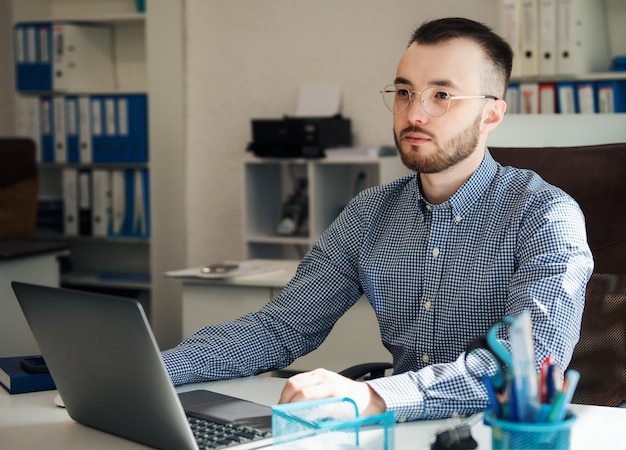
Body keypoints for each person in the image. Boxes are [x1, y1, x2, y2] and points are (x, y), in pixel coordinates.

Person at [162, 17, 593, 422]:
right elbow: (281, 327)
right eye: (404, 92)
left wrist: (374, 397)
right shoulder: (370, 213)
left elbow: (531, 363)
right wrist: (155, 369)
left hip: (502, 434)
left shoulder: (545, 214)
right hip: (398, 430)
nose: (415, 114)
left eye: (442, 95)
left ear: (491, 114)